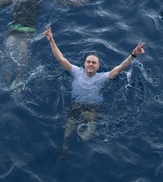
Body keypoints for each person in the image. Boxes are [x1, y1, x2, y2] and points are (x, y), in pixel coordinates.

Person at [43, 25, 145, 154]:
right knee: (68, 133)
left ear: (98, 66)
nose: (91, 64)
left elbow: (119, 68)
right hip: (75, 104)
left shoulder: (102, 77)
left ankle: (82, 149)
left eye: (94, 63)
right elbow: (60, 59)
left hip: (92, 108)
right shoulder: (76, 72)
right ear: (84, 64)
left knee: (85, 137)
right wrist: (51, 40)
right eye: (88, 62)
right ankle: (65, 148)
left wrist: (133, 55)